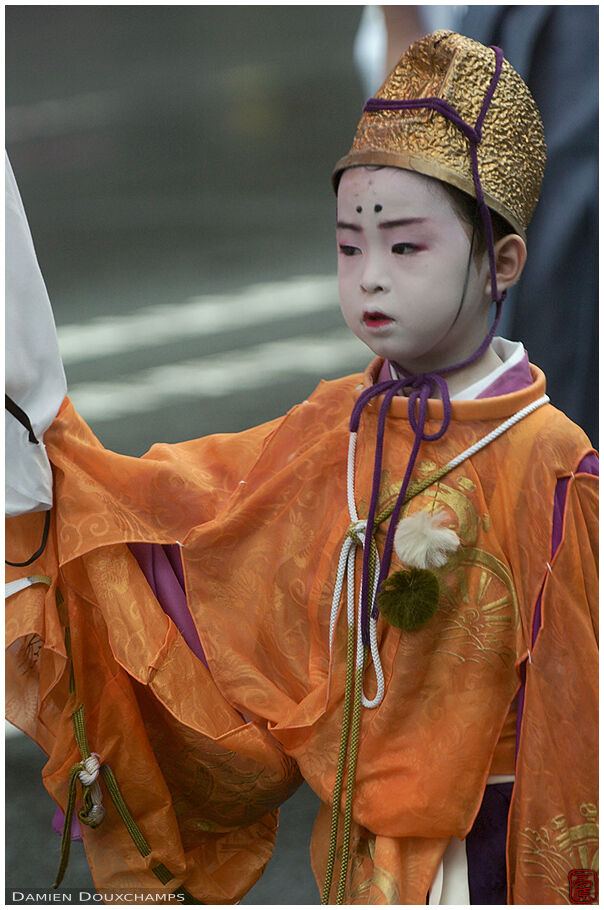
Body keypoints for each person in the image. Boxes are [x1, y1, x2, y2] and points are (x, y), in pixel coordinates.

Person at [5, 31, 598, 905]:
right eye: (349, 246)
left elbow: (579, 716)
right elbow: (207, 524)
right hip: (370, 864)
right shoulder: (342, 423)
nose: (370, 280)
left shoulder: (551, 461)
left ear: (501, 264)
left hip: (493, 851)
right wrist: (67, 482)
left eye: (405, 248)